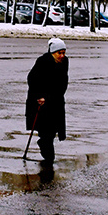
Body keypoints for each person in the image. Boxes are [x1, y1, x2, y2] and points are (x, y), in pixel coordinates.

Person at [26, 37, 69, 165]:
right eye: (59, 53)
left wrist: (58, 94)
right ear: (52, 52)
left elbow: (63, 81)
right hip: (42, 101)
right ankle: (49, 156)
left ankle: (46, 148)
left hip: (56, 100)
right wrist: (39, 96)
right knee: (46, 130)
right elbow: (32, 79)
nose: (62, 55)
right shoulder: (43, 61)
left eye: (63, 52)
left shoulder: (65, 62)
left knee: (54, 128)